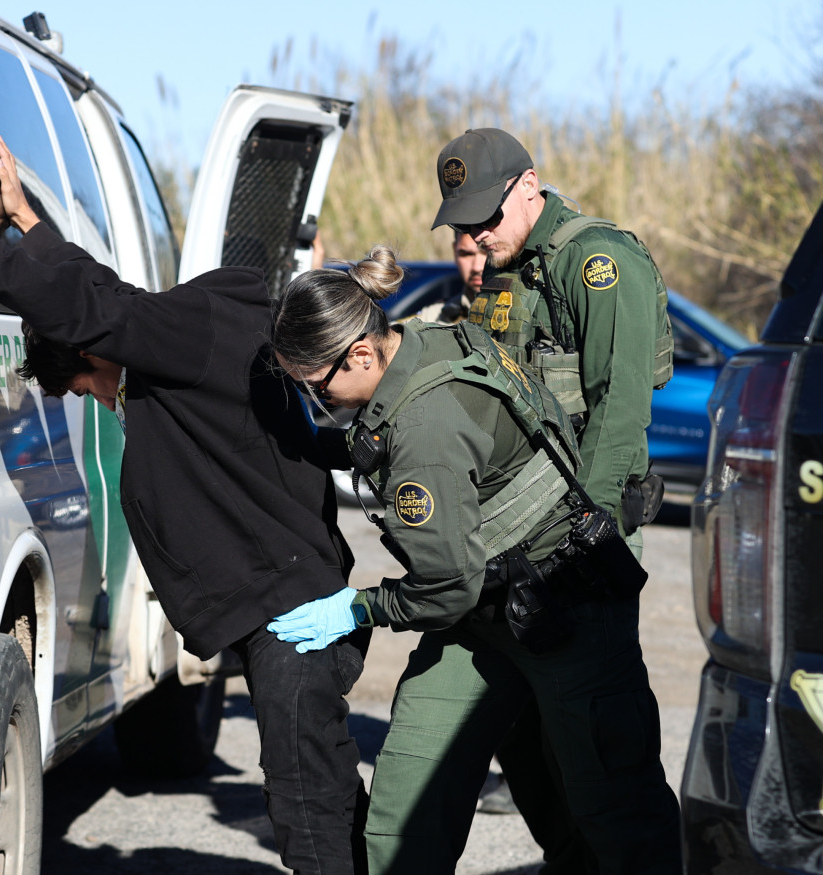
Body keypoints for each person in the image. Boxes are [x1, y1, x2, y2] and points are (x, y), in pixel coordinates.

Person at [0, 128, 370, 875]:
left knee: (310, 811)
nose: (104, 400)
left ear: (94, 353)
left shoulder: (178, 342)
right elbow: (105, 296)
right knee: (327, 797)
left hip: (293, 619)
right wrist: (29, 222)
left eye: (91, 387)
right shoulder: (182, 334)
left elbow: (100, 308)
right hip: (287, 604)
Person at [268, 244, 682, 874]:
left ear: (359, 353)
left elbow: (445, 587)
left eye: (315, 388)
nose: (318, 401)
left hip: (566, 610)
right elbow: (384, 442)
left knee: (617, 810)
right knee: (406, 811)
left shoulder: (425, 431)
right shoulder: (423, 341)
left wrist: (358, 607)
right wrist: (315, 443)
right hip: (488, 614)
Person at [434, 127, 678, 871]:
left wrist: (586, 538)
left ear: (529, 187)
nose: (476, 236)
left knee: (604, 753)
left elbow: (618, 407)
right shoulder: (503, 275)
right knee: (531, 749)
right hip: (507, 546)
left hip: (580, 545)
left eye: (487, 216)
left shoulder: (597, 263)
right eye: (464, 223)